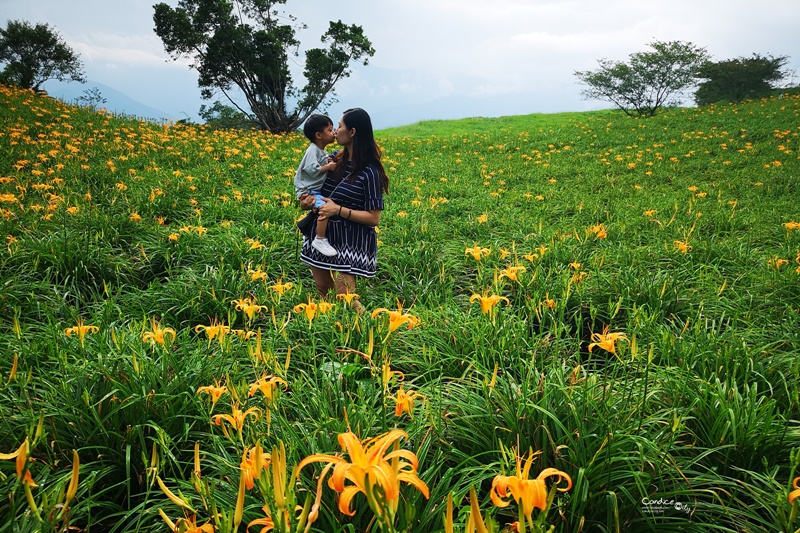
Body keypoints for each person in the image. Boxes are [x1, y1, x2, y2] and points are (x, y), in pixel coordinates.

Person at [299, 108, 389, 310]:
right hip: (321, 236)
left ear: (353, 132)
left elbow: (374, 218)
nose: (336, 131)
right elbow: (312, 187)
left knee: (344, 296)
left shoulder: (369, 173)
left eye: (339, 126)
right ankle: (334, 333)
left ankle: (370, 333)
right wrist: (306, 201)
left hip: (351, 240)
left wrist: (337, 210)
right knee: (323, 289)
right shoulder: (333, 159)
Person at [294, 114, 338, 256]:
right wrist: (328, 167)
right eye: (330, 130)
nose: (334, 133)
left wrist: (328, 161)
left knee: (319, 208)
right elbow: (312, 170)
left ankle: (308, 230)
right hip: (308, 190)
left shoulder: (321, 150)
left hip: (313, 189)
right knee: (324, 209)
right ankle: (320, 239)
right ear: (319, 135)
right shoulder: (312, 150)